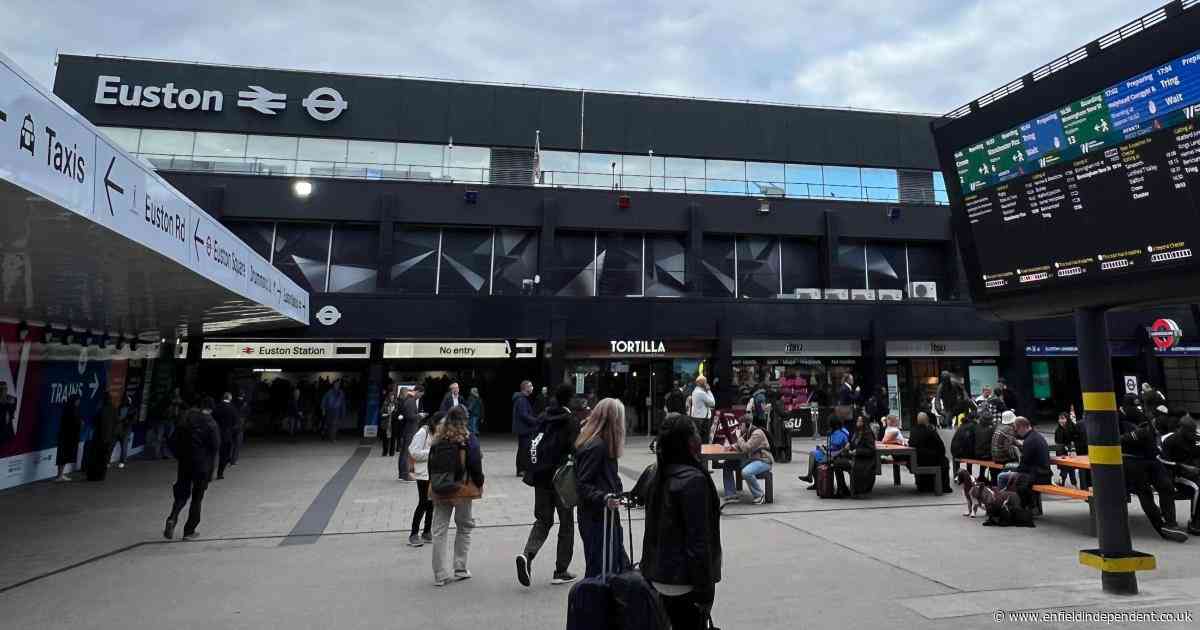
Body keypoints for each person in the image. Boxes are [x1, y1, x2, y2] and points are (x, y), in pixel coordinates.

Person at [641, 413, 722, 628]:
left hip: (659, 575)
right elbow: (698, 542)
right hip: (683, 580)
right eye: (695, 433)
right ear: (687, 442)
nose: (699, 438)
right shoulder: (693, 481)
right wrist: (704, 590)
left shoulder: (657, 474)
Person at [516, 385, 580, 588]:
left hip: (541, 477)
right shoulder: (571, 421)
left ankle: (527, 555)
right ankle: (561, 571)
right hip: (562, 479)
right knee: (567, 523)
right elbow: (574, 448)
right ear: (569, 400)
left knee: (543, 520)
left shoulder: (544, 416)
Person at [429, 406, 485, 586]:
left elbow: (431, 466)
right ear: (464, 421)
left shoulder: (437, 439)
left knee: (439, 531)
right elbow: (475, 463)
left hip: (440, 488)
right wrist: (480, 482)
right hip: (461, 489)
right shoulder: (467, 439)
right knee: (464, 526)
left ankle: (439, 574)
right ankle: (460, 568)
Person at [575, 398, 628, 578]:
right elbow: (582, 484)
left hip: (603, 514)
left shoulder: (602, 444)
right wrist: (604, 497)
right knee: (600, 567)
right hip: (596, 516)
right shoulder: (597, 446)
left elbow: (606, 477)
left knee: (612, 562)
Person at [1120, 405, 1187, 541]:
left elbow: (1160, 455)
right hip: (1133, 461)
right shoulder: (1141, 429)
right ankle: (1161, 527)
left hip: (1152, 460)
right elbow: (1120, 440)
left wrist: (1178, 466)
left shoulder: (1163, 430)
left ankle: (1170, 524)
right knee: (1145, 492)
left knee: (1166, 486)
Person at [164, 397, 220, 540]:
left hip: (185, 463)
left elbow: (172, 440)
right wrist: (213, 471)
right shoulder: (211, 424)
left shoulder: (186, 419)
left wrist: (179, 456)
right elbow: (215, 447)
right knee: (197, 498)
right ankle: (189, 531)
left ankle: (172, 517)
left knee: (181, 494)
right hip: (202, 466)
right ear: (211, 409)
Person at [720, 413, 773, 505]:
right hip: (752, 459)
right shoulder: (747, 432)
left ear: (746, 424)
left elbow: (746, 448)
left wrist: (739, 437)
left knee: (746, 472)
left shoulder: (757, 433)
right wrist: (731, 447)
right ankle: (731, 494)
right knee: (727, 464)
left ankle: (759, 495)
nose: (739, 427)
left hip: (763, 460)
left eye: (741, 425)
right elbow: (739, 445)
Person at [997, 417, 1051, 505]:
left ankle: (1001, 503)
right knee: (1010, 471)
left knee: (1002, 476)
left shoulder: (1029, 441)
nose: (1016, 432)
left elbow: (1024, 464)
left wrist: (1015, 472)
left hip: (1037, 476)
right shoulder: (1036, 436)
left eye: (1016, 430)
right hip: (1043, 473)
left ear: (1022, 427)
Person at [407, 411, 441, 547]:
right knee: (423, 503)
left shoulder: (437, 433)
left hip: (433, 472)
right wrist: (432, 452)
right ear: (435, 423)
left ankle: (427, 532)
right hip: (423, 473)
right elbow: (413, 451)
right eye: (441, 424)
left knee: (431, 503)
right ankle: (413, 534)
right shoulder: (423, 432)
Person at [1162, 415, 1200, 534]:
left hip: (1194, 472)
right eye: (1191, 431)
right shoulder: (1170, 440)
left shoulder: (1194, 439)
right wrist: (1182, 466)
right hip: (1178, 475)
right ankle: (1195, 522)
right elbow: (1163, 461)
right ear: (1182, 429)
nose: (1193, 434)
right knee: (1198, 488)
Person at [798, 415, 850, 489]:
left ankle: (813, 480)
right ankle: (811, 478)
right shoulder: (837, 431)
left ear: (833, 424)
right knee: (812, 453)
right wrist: (824, 447)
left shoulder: (841, 433)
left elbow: (836, 448)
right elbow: (831, 445)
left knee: (815, 461)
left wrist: (824, 449)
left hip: (836, 455)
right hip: (830, 452)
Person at [909, 412, 951, 493]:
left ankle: (923, 485)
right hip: (929, 461)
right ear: (927, 421)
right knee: (944, 461)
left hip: (916, 460)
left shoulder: (913, 431)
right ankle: (945, 487)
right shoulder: (930, 431)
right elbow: (941, 447)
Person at [400, 386, 426, 481]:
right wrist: (419, 415)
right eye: (420, 395)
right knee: (407, 452)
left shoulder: (409, 400)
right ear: (418, 392)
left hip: (408, 430)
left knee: (404, 452)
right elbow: (410, 416)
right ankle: (406, 475)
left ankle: (402, 474)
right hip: (410, 430)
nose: (420, 397)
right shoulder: (411, 401)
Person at [512, 380, 537, 477]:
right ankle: (521, 470)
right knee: (524, 450)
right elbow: (524, 415)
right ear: (525, 388)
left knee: (523, 449)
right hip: (524, 429)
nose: (532, 388)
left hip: (524, 429)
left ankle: (521, 469)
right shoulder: (521, 400)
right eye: (530, 386)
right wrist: (536, 421)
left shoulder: (522, 399)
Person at [55, 395, 83, 481]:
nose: (79, 402)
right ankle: (60, 476)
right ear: (75, 401)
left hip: (65, 436)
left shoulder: (68, 409)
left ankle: (60, 475)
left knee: (63, 456)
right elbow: (76, 422)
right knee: (63, 456)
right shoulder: (73, 410)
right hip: (67, 437)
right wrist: (81, 423)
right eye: (78, 400)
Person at [1053, 411, 1084, 487]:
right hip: (1061, 452)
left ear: (1067, 419)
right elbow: (1057, 441)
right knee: (1066, 468)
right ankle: (1070, 483)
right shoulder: (1058, 430)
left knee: (1069, 468)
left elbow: (1076, 439)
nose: (1061, 421)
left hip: (1071, 451)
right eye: (1059, 419)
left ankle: (1065, 483)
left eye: (1063, 418)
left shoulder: (1072, 427)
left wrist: (1071, 449)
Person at [213, 392, 237, 479]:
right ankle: (220, 473)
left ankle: (208, 474)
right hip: (227, 435)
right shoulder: (232, 408)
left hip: (216, 433)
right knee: (224, 455)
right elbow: (235, 422)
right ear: (230, 398)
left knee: (212, 455)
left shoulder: (217, 407)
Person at [687, 375, 716, 443]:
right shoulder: (701, 393)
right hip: (702, 419)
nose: (707, 384)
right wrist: (709, 391)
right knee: (704, 439)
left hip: (698, 418)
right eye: (706, 382)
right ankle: (703, 453)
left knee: (698, 438)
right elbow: (713, 403)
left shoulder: (695, 391)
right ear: (703, 383)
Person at [379, 384, 399, 457]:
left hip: (393, 423)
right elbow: (381, 413)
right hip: (386, 423)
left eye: (393, 397)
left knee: (393, 438)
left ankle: (391, 452)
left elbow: (398, 413)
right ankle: (385, 452)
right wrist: (386, 414)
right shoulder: (385, 403)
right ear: (388, 397)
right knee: (385, 439)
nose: (392, 398)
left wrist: (394, 412)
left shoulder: (396, 404)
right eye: (391, 397)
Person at [0, 381, 16, 447]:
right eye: (1, 389)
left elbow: (12, 415)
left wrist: (9, 404)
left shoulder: (12, 399)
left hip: (9, 433)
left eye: (5, 388)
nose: (3, 391)